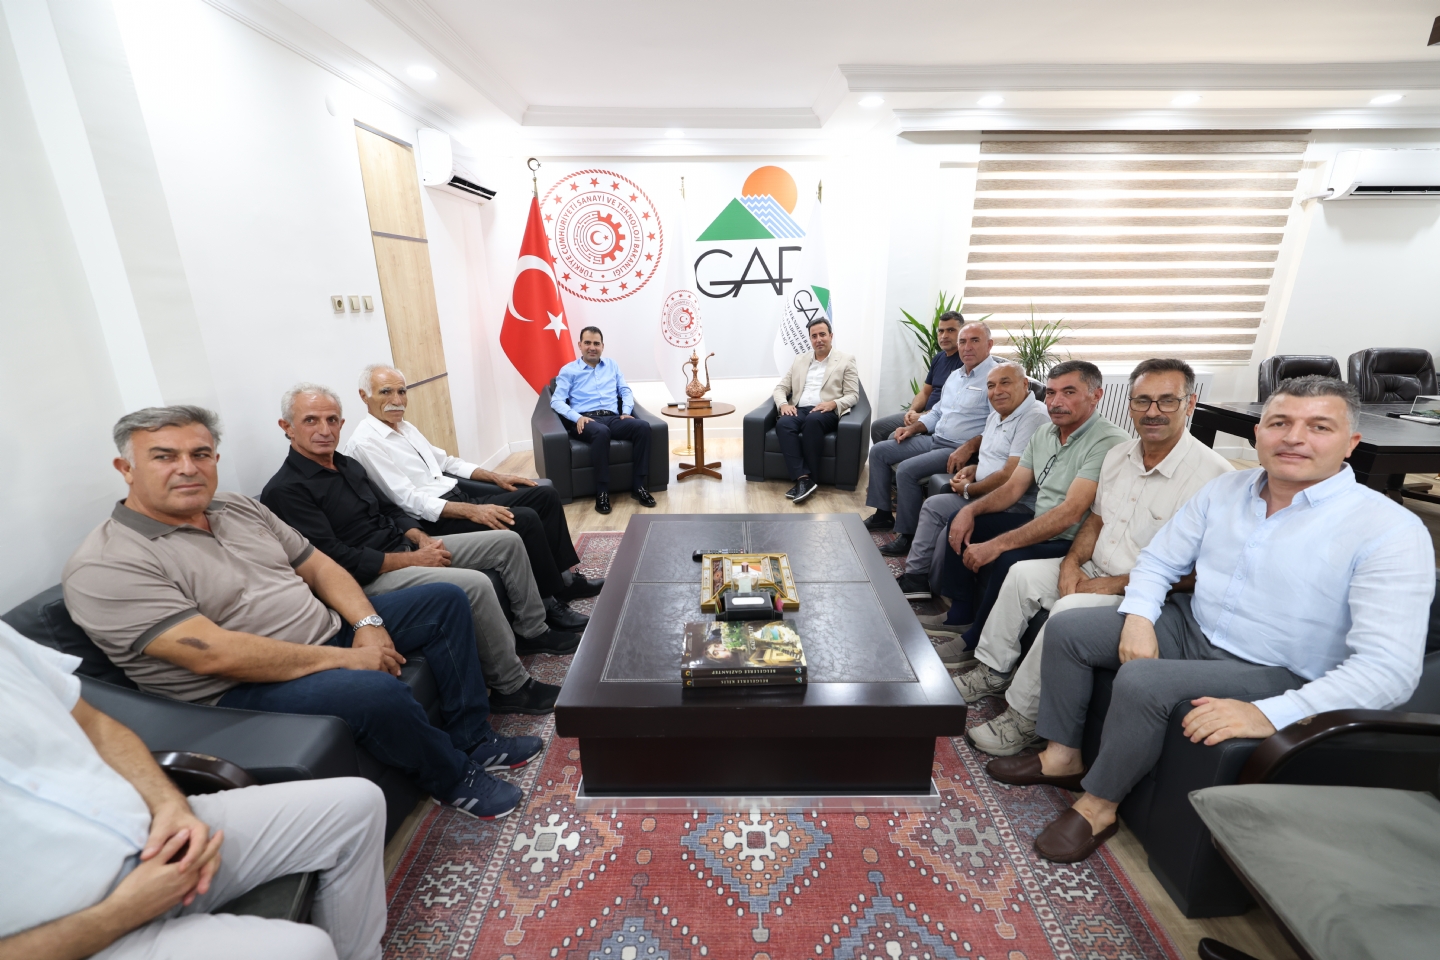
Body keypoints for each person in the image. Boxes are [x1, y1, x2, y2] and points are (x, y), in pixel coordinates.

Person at [989, 376, 1434, 864]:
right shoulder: (1227, 489)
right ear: (1257, 433)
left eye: (1319, 427)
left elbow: (1388, 672)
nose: (1294, 438)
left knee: (1141, 681)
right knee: (1069, 628)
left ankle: (1098, 807)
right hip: (1193, 625)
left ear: (1351, 443)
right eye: (1279, 423)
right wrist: (1138, 618)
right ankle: (1062, 757)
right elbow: (1159, 561)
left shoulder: (1389, 530)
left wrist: (1271, 713)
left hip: (1276, 666)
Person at [63, 406, 538, 821]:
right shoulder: (107, 562)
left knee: (444, 599)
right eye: (164, 457)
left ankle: (474, 737)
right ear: (125, 468)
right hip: (240, 687)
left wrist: (368, 624)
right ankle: (453, 779)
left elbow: (320, 566)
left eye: (200, 454)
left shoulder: (237, 508)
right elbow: (213, 655)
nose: (187, 468)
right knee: (374, 690)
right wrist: (349, 659)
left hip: (326, 632)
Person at [0, 620, 386, 960]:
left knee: (357, 803)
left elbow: (96, 725)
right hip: (77, 930)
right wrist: (119, 912)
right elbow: (210, 652)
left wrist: (169, 804)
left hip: (157, 834)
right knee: (302, 949)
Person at [962, 360, 1233, 757]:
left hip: (1141, 592)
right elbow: (1095, 519)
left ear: (1189, 404)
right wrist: (1071, 563)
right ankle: (991, 670)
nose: (1152, 411)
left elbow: (1200, 571)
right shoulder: (1118, 456)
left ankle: (1024, 717)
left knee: (1067, 611)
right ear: (1130, 404)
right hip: (1092, 567)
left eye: (1167, 401)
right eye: (1142, 400)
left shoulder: (1215, 478)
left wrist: (1110, 585)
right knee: (1021, 575)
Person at [261, 384, 583, 716]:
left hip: (404, 546)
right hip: (368, 578)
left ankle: (533, 630)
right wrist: (413, 559)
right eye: (311, 420)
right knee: (475, 585)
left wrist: (419, 537)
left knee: (508, 541)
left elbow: (390, 508)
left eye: (332, 420)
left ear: (341, 423)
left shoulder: (346, 465)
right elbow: (335, 561)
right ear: (287, 427)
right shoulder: (286, 491)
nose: (325, 430)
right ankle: (511, 687)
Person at [920, 360, 1129, 666]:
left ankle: (975, 640)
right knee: (963, 520)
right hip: (1040, 522)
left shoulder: (1109, 441)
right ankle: (960, 614)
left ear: (1096, 396)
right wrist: (970, 510)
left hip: (1074, 539)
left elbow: (1070, 513)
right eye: (1052, 392)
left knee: (1008, 558)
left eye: (1069, 392)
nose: (1055, 402)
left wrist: (997, 545)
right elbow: (1013, 488)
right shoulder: (1045, 432)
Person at [344, 363, 600, 602]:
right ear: (364, 396)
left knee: (545, 495)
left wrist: (496, 476)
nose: (397, 400)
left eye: (402, 391)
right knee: (525, 519)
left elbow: (446, 463)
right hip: (433, 518)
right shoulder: (365, 443)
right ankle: (547, 602)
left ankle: (566, 580)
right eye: (386, 392)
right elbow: (408, 500)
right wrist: (472, 510)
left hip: (458, 496)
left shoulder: (405, 427)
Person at [894, 361, 1050, 598]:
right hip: (986, 492)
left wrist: (970, 489)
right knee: (934, 506)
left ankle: (938, 589)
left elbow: (1011, 475)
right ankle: (916, 578)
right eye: (991, 385)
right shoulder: (998, 412)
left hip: (1012, 504)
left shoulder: (1034, 417)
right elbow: (995, 456)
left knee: (947, 519)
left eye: (1005, 383)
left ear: (1025, 384)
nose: (997, 391)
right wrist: (975, 469)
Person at [868, 319, 997, 556]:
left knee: (906, 470)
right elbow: (937, 412)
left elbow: (997, 426)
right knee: (879, 451)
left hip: (958, 449)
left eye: (974, 341)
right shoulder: (955, 376)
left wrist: (970, 447)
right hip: (935, 439)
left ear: (989, 344)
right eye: (963, 342)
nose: (967, 347)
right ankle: (883, 514)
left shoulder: (995, 379)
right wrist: (913, 428)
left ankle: (908, 536)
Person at [550, 326, 658, 515]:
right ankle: (602, 492)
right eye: (587, 343)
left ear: (602, 346)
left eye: (596, 343)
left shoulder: (612, 365)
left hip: (613, 417)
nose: (592, 347)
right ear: (580, 345)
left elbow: (625, 390)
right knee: (601, 432)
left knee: (642, 427)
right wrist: (577, 417)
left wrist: (626, 412)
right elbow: (556, 401)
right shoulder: (569, 370)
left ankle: (639, 486)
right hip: (586, 420)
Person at [771, 318, 861, 504]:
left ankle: (810, 479)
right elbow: (780, 388)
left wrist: (833, 403)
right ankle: (803, 479)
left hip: (825, 411)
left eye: (822, 334)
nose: (818, 339)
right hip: (800, 408)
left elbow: (853, 395)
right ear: (810, 339)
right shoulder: (800, 360)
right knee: (783, 423)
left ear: (831, 336)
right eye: (814, 336)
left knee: (813, 421)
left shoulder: (846, 360)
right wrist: (784, 405)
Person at [870, 309, 964, 442]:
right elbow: (925, 392)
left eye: (951, 330)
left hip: (940, 419)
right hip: (923, 415)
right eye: (941, 331)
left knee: (894, 438)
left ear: (962, 332)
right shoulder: (938, 358)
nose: (944, 336)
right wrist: (912, 411)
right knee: (878, 427)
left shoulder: (965, 361)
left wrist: (923, 416)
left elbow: (954, 405)